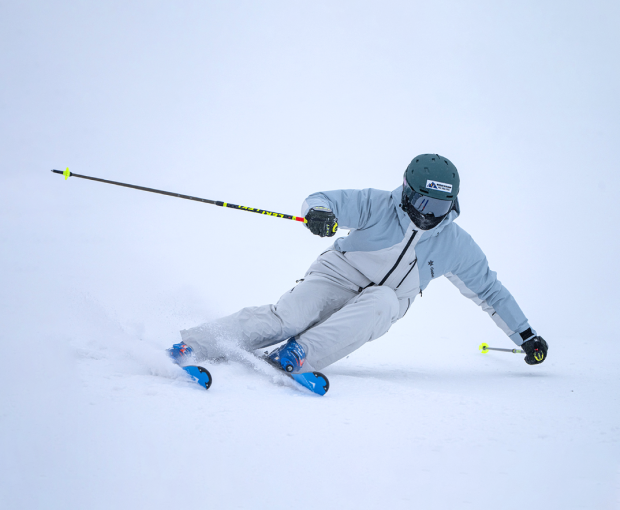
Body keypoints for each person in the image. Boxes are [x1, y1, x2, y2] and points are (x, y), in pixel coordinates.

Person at [169, 154, 548, 373]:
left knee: (384, 302)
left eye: (440, 208)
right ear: (407, 193)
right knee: (288, 317)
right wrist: (319, 214)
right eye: (423, 204)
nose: (428, 215)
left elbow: (489, 290)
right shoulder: (377, 203)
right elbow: (321, 199)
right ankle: (196, 344)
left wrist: (525, 335)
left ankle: (298, 355)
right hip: (339, 274)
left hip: (384, 299)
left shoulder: (455, 244)